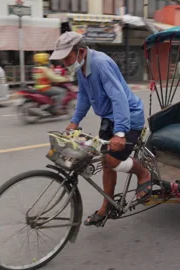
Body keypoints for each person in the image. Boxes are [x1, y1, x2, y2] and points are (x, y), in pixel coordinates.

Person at [49, 32, 152, 226]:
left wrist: (120, 132)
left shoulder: (100, 64)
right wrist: (74, 121)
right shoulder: (81, 67)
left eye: (67, 58)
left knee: (112, 159)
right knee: (106, 162)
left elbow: (118, 98)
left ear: (80, 52)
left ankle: (143, 173)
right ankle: (107, 207)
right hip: (109, 118)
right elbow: (84, 96)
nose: (64, 63)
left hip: (128, 117)